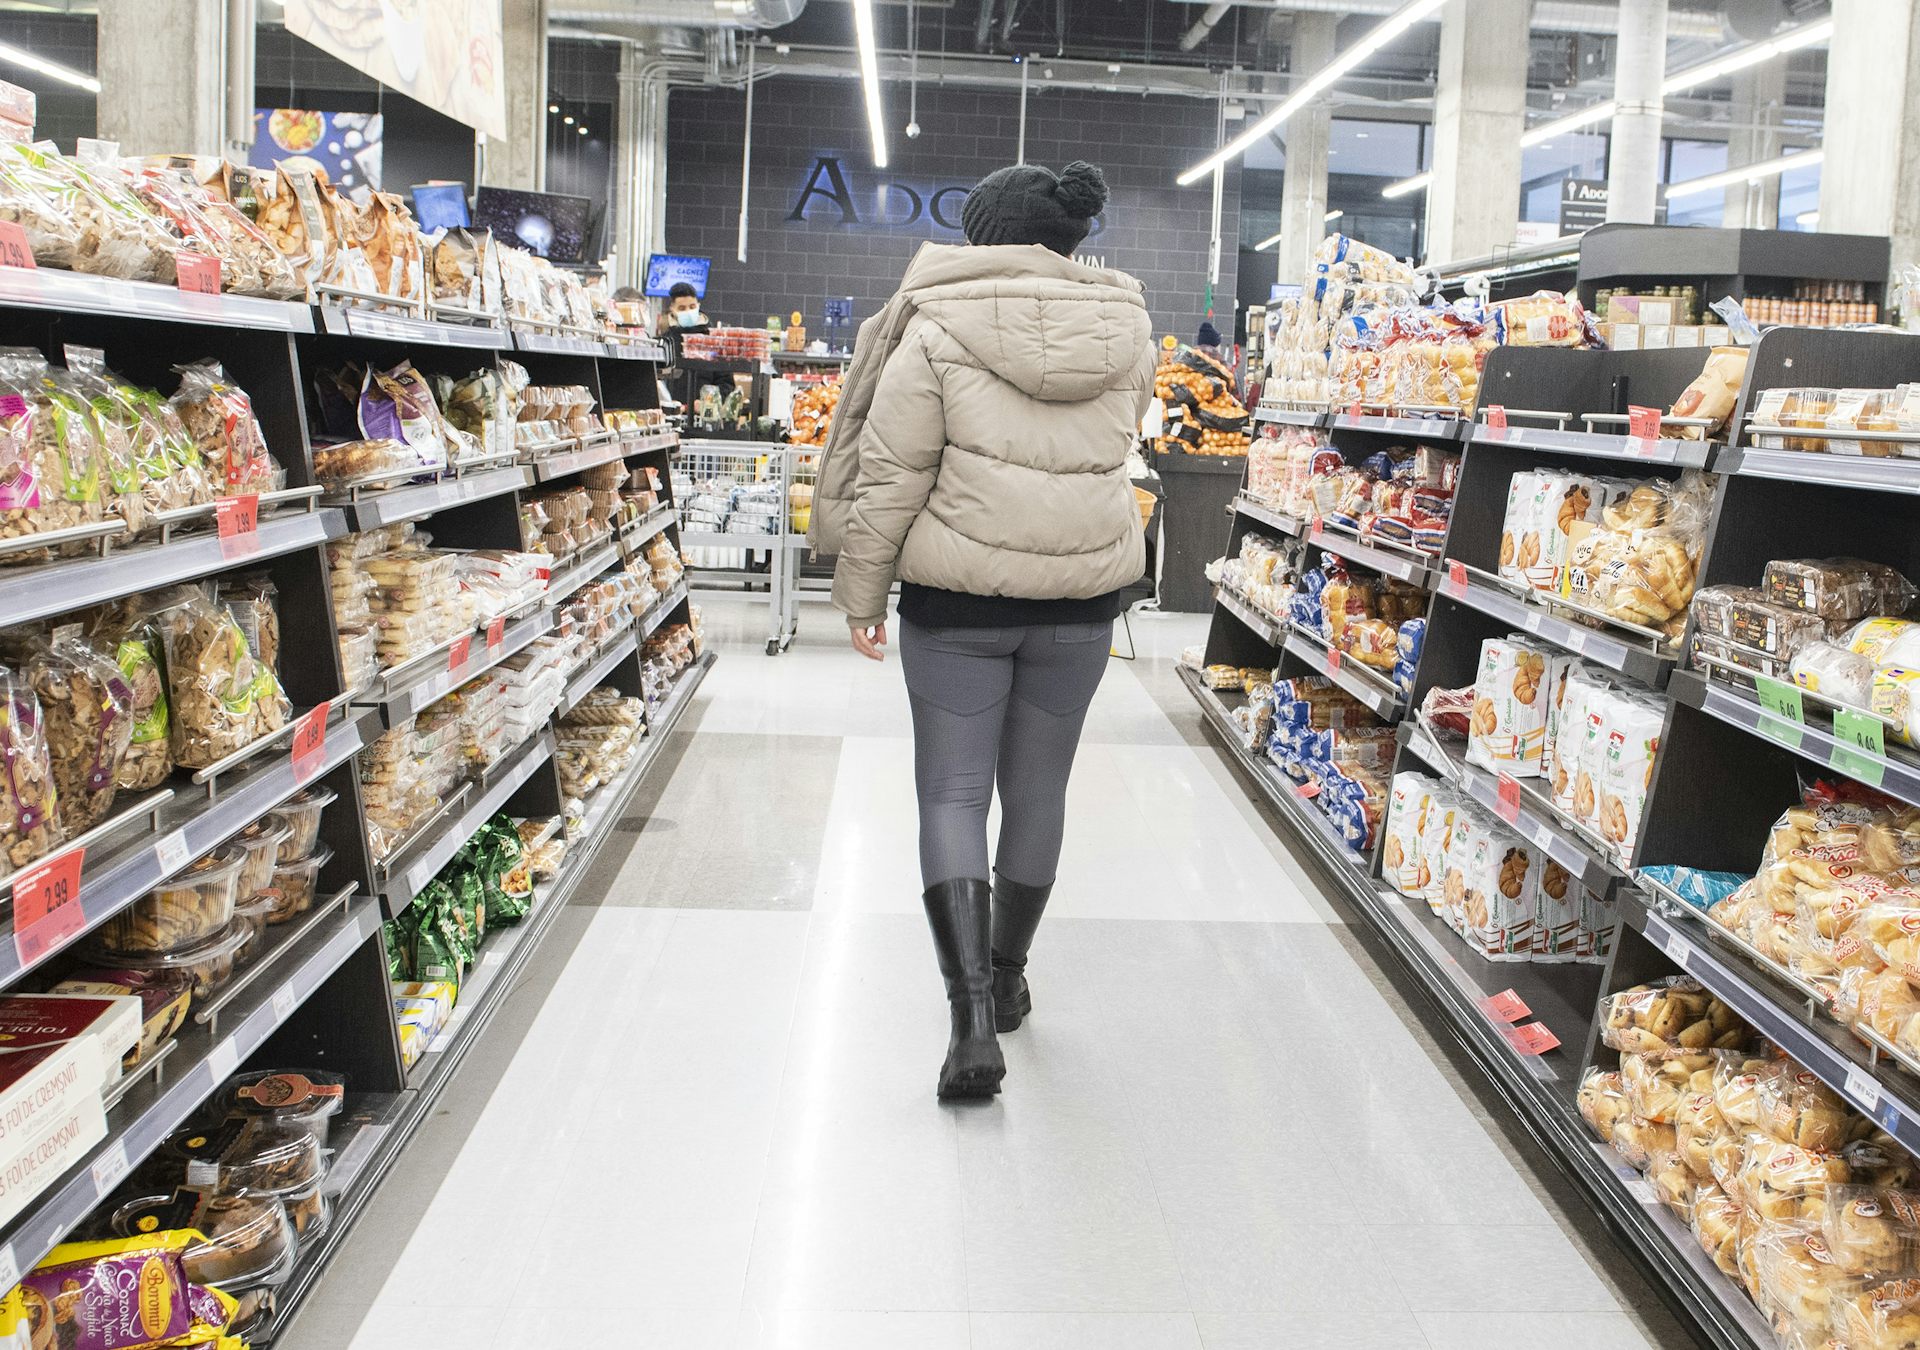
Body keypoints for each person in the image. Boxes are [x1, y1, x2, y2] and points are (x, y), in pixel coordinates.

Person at [808, 161, 1155, 1100]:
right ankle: (1007, 981)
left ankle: (967, 1024)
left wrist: (861, 595)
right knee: (1040, 792)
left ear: (979, 234)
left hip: (956, 601)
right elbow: (1117, 446)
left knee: (953, 797)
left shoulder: (933, 325)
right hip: (1081, 602)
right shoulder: (1128, 327)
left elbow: (893, 472)